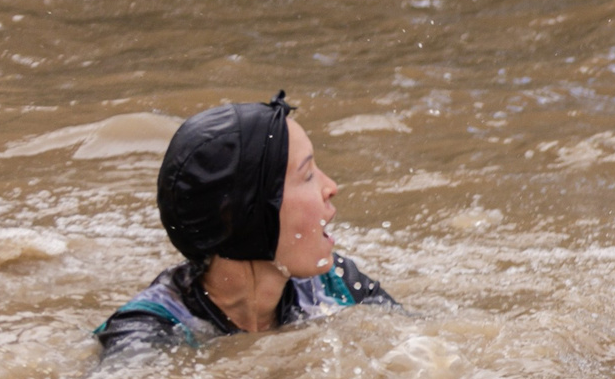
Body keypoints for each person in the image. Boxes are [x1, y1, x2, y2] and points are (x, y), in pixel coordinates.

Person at [94, 93, 394, 359]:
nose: (331, 187)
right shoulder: (145, 334)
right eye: (307, 176)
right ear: (243, 215)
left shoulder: (336, 284)